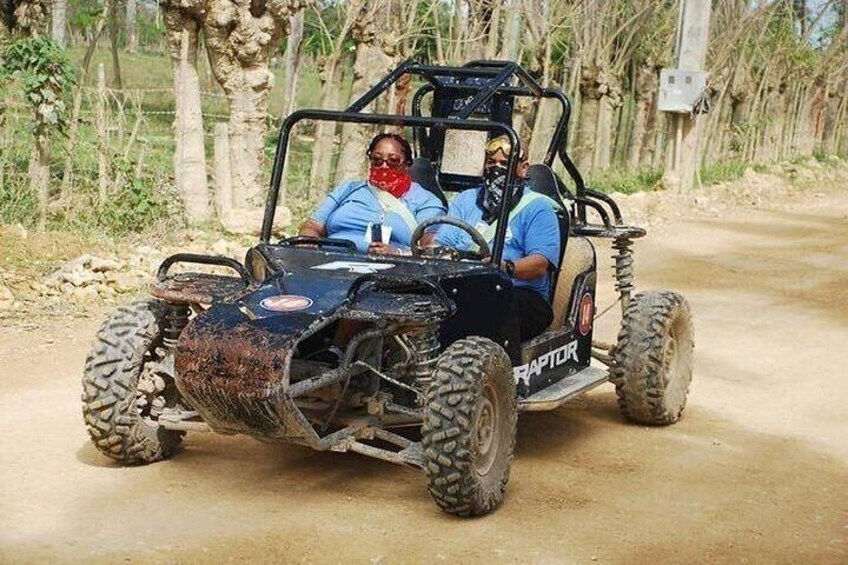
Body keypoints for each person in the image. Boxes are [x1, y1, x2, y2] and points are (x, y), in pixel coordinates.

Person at [436, 135, 561, 342]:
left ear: (522, 168)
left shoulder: (537, 208)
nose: (496, 169)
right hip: (462, 285)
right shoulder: (466, 200)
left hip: (518, 291)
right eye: (491, 162)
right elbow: (442, 243)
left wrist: (505, 267)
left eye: (504, 163)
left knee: (481, 309)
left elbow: (540, 264)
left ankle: (483, 366)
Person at [299, 133, 446, 254]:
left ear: (407, 164)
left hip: (389, 271)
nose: (384, 166)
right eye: (377, 160)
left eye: (393, 160)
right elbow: (312, 225)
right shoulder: (349, 189)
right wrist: (308, 241)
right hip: (330, 258)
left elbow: (430, 249)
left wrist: (398, 253)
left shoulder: (426, 201)